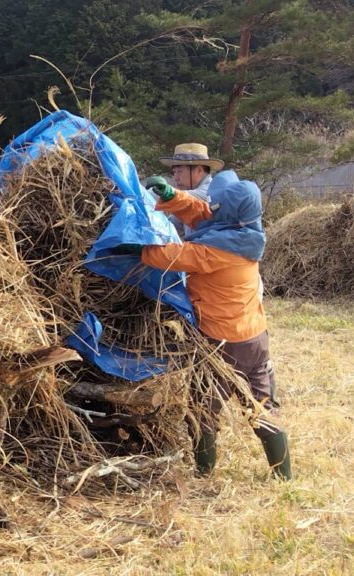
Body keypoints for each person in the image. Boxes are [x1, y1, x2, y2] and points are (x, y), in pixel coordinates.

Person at [121, 170, 291, 480]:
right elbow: (205, 214)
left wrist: (139, 250)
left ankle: (203, 473)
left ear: (226, 212)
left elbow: (174, 257)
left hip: (221, 344)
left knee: (202, 408)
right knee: (262, 405)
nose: (209, 208)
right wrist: (173, 197)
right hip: (255, 337)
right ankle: (284, 477)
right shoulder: (246, 233)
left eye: (215, 205)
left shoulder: (213, 251)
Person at [156, 143, 223, 236]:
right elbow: (170, 227)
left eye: (179, 171)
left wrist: (165, 192)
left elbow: (181, 197)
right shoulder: (187, 200)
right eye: (174, 172)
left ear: (199, 170)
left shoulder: (211, 192)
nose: (175, 178)